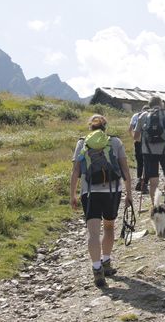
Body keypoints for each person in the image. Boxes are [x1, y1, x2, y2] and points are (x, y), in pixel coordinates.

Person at [70, 114, 133, 287]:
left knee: (93, 232)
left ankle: (97, 270)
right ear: (106, 126)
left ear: (90, 127)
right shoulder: (115, 142)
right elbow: (125, 170)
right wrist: (129, 193)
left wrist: (72, 195)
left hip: (89, 193)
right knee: (109, 226)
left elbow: (76, 171)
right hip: (112, 191)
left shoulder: (82, 143)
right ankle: (106, 261)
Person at [133, 96, 165, 212]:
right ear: (161, 103)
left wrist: (145, 141)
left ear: (150, 105)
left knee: (153, 181)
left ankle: (155, 207)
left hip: (148, 153)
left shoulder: (143, 116)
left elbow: (136, 137)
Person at [129, 105, 150, 194]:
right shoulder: (151, 116)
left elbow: (130, 129)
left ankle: (139, 181)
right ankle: (145, 184)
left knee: (139, 162)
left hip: (138, 141)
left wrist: (134, 138)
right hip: (149, 142)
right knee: (148, 163)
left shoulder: (136, 116)